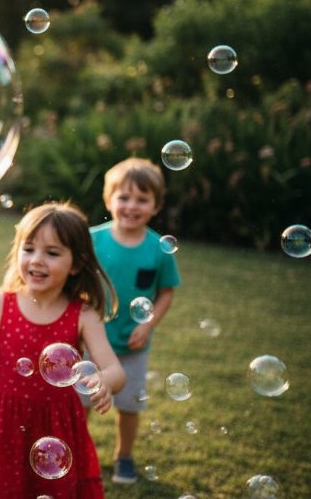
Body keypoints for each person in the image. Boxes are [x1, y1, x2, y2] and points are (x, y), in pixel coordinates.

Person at [0, 202, 126, 499]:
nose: (37, 260)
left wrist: (106, 381)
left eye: (52, 252)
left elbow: (115, 370)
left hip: (56, 425)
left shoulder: (83, 315)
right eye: (28, 249)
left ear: (77, 263)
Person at [89, 157, 181, 484]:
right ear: (108, 199)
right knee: (80, 402)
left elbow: (167, 292)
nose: (131, 206)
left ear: (156, 206)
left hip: (132, 345)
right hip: (90, 342)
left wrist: (147, 324)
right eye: (124, 197)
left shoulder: (159, 249)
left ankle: (124, 455)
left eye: (142, 199)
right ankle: (74, 452)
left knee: (129, 405)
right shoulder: (91, 240)